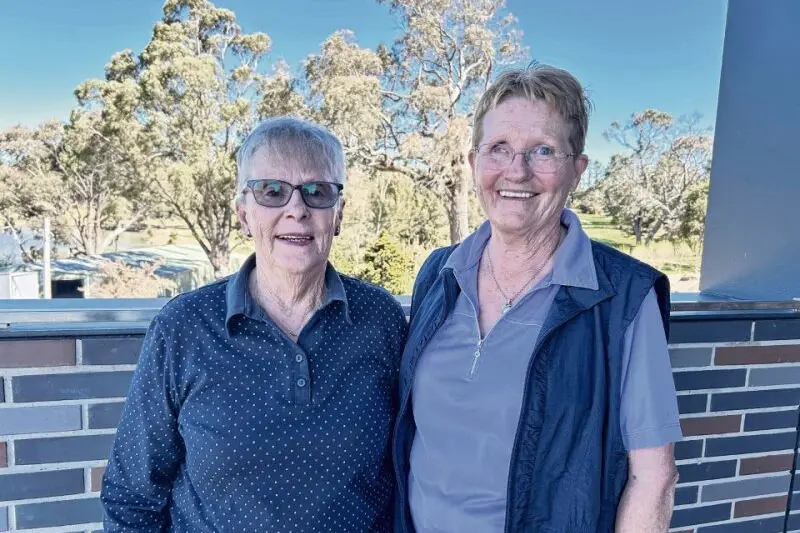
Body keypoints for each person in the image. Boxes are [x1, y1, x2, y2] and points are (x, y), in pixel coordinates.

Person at [393, 64, 682, 533]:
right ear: (473, 163)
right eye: (499, 148)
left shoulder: (622, 299)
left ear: (577, 171)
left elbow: (654, 477)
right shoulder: (439, 275)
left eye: (543, 151)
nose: (516, 170)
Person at [101, 117, 408, 532]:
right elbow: (132, 497)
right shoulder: (184, 328)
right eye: (272, 192)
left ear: (338, 215)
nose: (296, 210)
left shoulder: (380, 320)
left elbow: (411, 472)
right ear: (244, 215)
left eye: (318, 192)